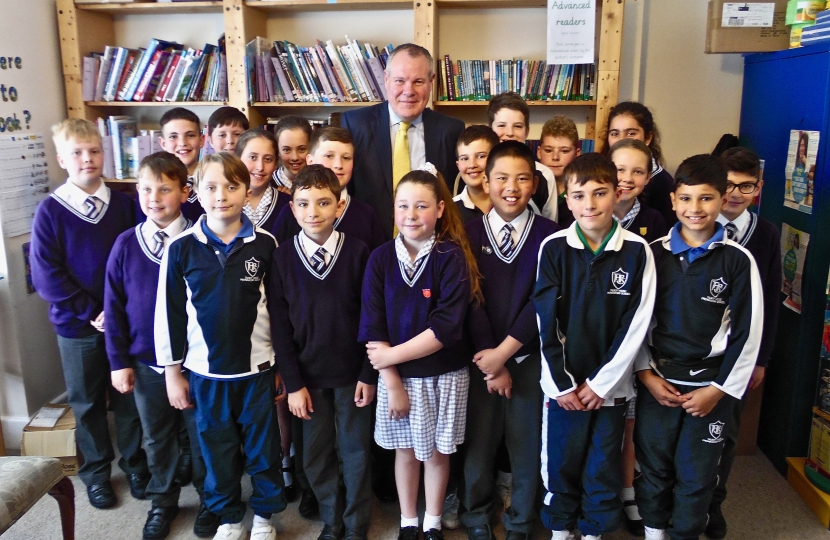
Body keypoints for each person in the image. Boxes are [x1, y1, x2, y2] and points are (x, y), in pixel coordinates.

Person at [156, 152, 286, 540]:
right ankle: (229, 518)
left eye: (232, 187)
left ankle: (264, 517)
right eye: (211, 187)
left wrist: (280, 365)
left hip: (257, 371)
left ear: (247, 192)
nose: (221, 195)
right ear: (195, 191)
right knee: (217, 451)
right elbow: (169, 314)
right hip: (206, 374)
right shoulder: (181, 248)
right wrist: (171, 372)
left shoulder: (265, 244)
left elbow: (277, 310)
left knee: (264, 450)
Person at [634, 154, 763, 540]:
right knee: (654, 466)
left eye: (706, 198)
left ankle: (687, 532)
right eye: (686, 199)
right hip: (659, 381)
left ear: (723, 200)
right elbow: (636, 325)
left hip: (710, 386)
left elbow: (748, 334)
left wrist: (718, 390)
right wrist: (645, 373)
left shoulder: (738, 261)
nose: (695, 208)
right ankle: (655, 532)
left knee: (697, 471)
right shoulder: (651, 254)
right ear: (673, 200)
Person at [534, 153, 656, 540]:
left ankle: (593, 531)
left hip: (612, 390)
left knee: (603, 463)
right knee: (561, 461)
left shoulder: (638, 251)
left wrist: (601, 384)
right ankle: (560, 529)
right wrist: (564, 384)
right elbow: (544, 320)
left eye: (600, 193)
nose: (590, 204)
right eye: (580, 195)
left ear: (616, 194)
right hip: (564, 390)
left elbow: (636, 325)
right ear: (566, 200)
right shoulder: (552, 248)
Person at [31, 118, 147, 510]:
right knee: (88, 402)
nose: (87, 160)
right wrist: (94, 312)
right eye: (77, 153)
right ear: (63, 159)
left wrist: (121, 312)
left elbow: (140, 260)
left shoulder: (126, 204)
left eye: (94, 151)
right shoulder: (50, 211)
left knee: (129, 398)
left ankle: (135, 463)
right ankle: (97, 473)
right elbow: (46, 276)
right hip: (78, 326)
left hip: (126, 323)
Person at [359, 165, 480, 540]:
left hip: (445, 375)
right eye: (403, 206)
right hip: (400, 383)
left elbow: (446, 329)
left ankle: (432, 521)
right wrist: (392, 381)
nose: (411, 215)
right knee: (406, 452)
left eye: (422, 206)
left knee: (437, 455)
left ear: (441, 209)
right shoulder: (379, 258)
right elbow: (373, 326)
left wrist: (391, 358)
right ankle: (409, 519)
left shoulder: (451, 256)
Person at [105, 152, 219, 539]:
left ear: (186, 192)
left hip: (195, 362)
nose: (155, 198)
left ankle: (210, 501)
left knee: (202, 432)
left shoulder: (200, 241)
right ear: (137, 192)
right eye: (147, 189)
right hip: (146, 363)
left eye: (165, 189)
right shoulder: (125, 244)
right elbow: (114, 307)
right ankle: (164, 501)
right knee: (157, 436)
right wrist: (118, 362)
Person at [461, 141, 559, 540]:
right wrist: (490, 360)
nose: (511, 186)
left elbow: (545, 299)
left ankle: (521, 518)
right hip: (480, 360)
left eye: (522, 178)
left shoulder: (552, 236)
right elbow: (466, 297)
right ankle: (476, 515)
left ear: (534, 184)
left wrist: (505, 354)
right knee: (479, 445)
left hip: (527, 358)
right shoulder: (465, 232)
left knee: (526, 446)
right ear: (486, 180)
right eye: (501, 177)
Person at [271, 164, 376, 540]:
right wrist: (294, 382)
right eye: (303, 204)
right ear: (293, 208)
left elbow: (372, 318)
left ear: (339, 206)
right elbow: (279, 327)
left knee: (356, 452)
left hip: (352, 376)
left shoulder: (360, 253)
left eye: (323, 202)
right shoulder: (281, 258)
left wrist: (368, 372)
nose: (313, 212)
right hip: (307, 380)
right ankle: (332, 517)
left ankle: (356, 523)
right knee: (315, 455)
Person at [707, 147, 782, 539]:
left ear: (759, 188)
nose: (735, 194)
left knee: (724, 434)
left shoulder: (766, 234)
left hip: (740, 354)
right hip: (694, 351)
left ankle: (713, 504)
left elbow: (770, 301)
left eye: (746, 186)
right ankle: (675, 501)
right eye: (729, 184)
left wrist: (762, 359)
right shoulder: (696, 223)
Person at [606, 138, 668, 535]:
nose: (626, 179)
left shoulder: (657, 223)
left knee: (628, 422)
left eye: (637, 171)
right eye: (619, 170)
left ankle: (628, 491)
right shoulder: (586, 209)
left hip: (636, 334)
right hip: (595, 337)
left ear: (648, 178)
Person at [342, 43, 465, 238]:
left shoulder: (451, 130)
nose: (408, 91)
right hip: (367, 247)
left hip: (433, 249)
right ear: (386, 79)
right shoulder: (355, 125)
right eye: (400, 81)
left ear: (431, 81)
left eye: (418, 82)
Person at [271, 127, 386, 251]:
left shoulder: (366, 214)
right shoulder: (291, 213)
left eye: (346, 158)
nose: (338, 165)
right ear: (310, 160)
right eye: (329, 156)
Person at [600, 101, 675, 227]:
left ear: (648, 138)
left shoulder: (663, 183)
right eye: (614, 134)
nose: (622, 140)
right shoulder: (600, 172)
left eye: (631, 133)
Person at [487, 92, 557, 222]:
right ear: (490, 129)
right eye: (501, 125)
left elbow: (551, 226)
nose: (509, 133)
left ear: (527, 131)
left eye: (518, 126)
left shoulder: (544, 176)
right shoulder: (477, 172)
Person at [158, 107, 206, 222]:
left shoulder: (214, 182)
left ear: (201, 140)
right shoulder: (153, 188)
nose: (182, 143)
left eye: (190, 135)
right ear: (163, 143)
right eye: (173, 137)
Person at [236, 129, 286, 233]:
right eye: (252, 157)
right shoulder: (224, 202)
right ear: (238, 159)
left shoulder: (288, 205)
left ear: (276, 163)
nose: (260, 167)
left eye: (268, 159)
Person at [537, 116, 581, 228]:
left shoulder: (582, 194)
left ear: (577, 154)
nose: (555, 157)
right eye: (548, 150)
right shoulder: (529, 192)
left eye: (564, 151)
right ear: (539, 152)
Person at [452, 125, 500, 224]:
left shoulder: (511, 203)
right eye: (464, 158)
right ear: (458, 165)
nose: (472, 165)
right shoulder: (450, 210)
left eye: (480, 156)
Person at [273, 115, 311, 192]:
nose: (295, 157)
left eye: (301, 149)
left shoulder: (321, 184)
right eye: (286, 150)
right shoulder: (268, 185)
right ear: (277, 150)